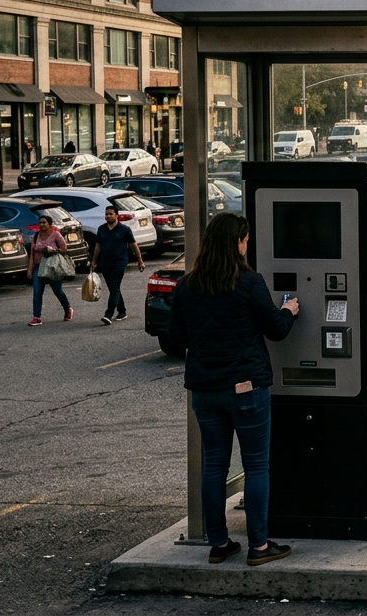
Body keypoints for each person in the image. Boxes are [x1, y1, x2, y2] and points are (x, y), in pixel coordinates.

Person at [166, 213, 298, 567]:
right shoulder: (249, 282)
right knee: (256, 466)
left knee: (214, 467)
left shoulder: (187, 285)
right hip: (246, 387)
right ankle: (258, 546)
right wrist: (289, 310)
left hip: (205, 391)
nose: (247, 244)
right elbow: (276, 330)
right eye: (246, 239)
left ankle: (220, 543)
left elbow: (176, 338)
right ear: (238, 242)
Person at [90, 205, 144, 325]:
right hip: (105, 263)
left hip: (119, 263)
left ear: (116, 215)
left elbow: (133, 245)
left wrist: (140, 260)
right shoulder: (101, 229)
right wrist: (94, 262)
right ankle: (122, 311)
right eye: (106, 214)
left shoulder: (124, 230)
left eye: (110, 214)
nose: (108, 216)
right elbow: (98, 246)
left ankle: (108, 314)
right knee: (113, 288)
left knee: (114, 287)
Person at [27, 215, 73, 326]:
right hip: (38, 267)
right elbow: (32, 253)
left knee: (58, 291)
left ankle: (67, 308)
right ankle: (36, 317)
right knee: (37, 292)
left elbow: (64, 249)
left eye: (44, 222)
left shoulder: (55, 234)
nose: (42, 224)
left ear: (49, 224)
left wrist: (53, 250)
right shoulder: (36, 235)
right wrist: (30, 269)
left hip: (52, 267)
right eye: (40, 222)